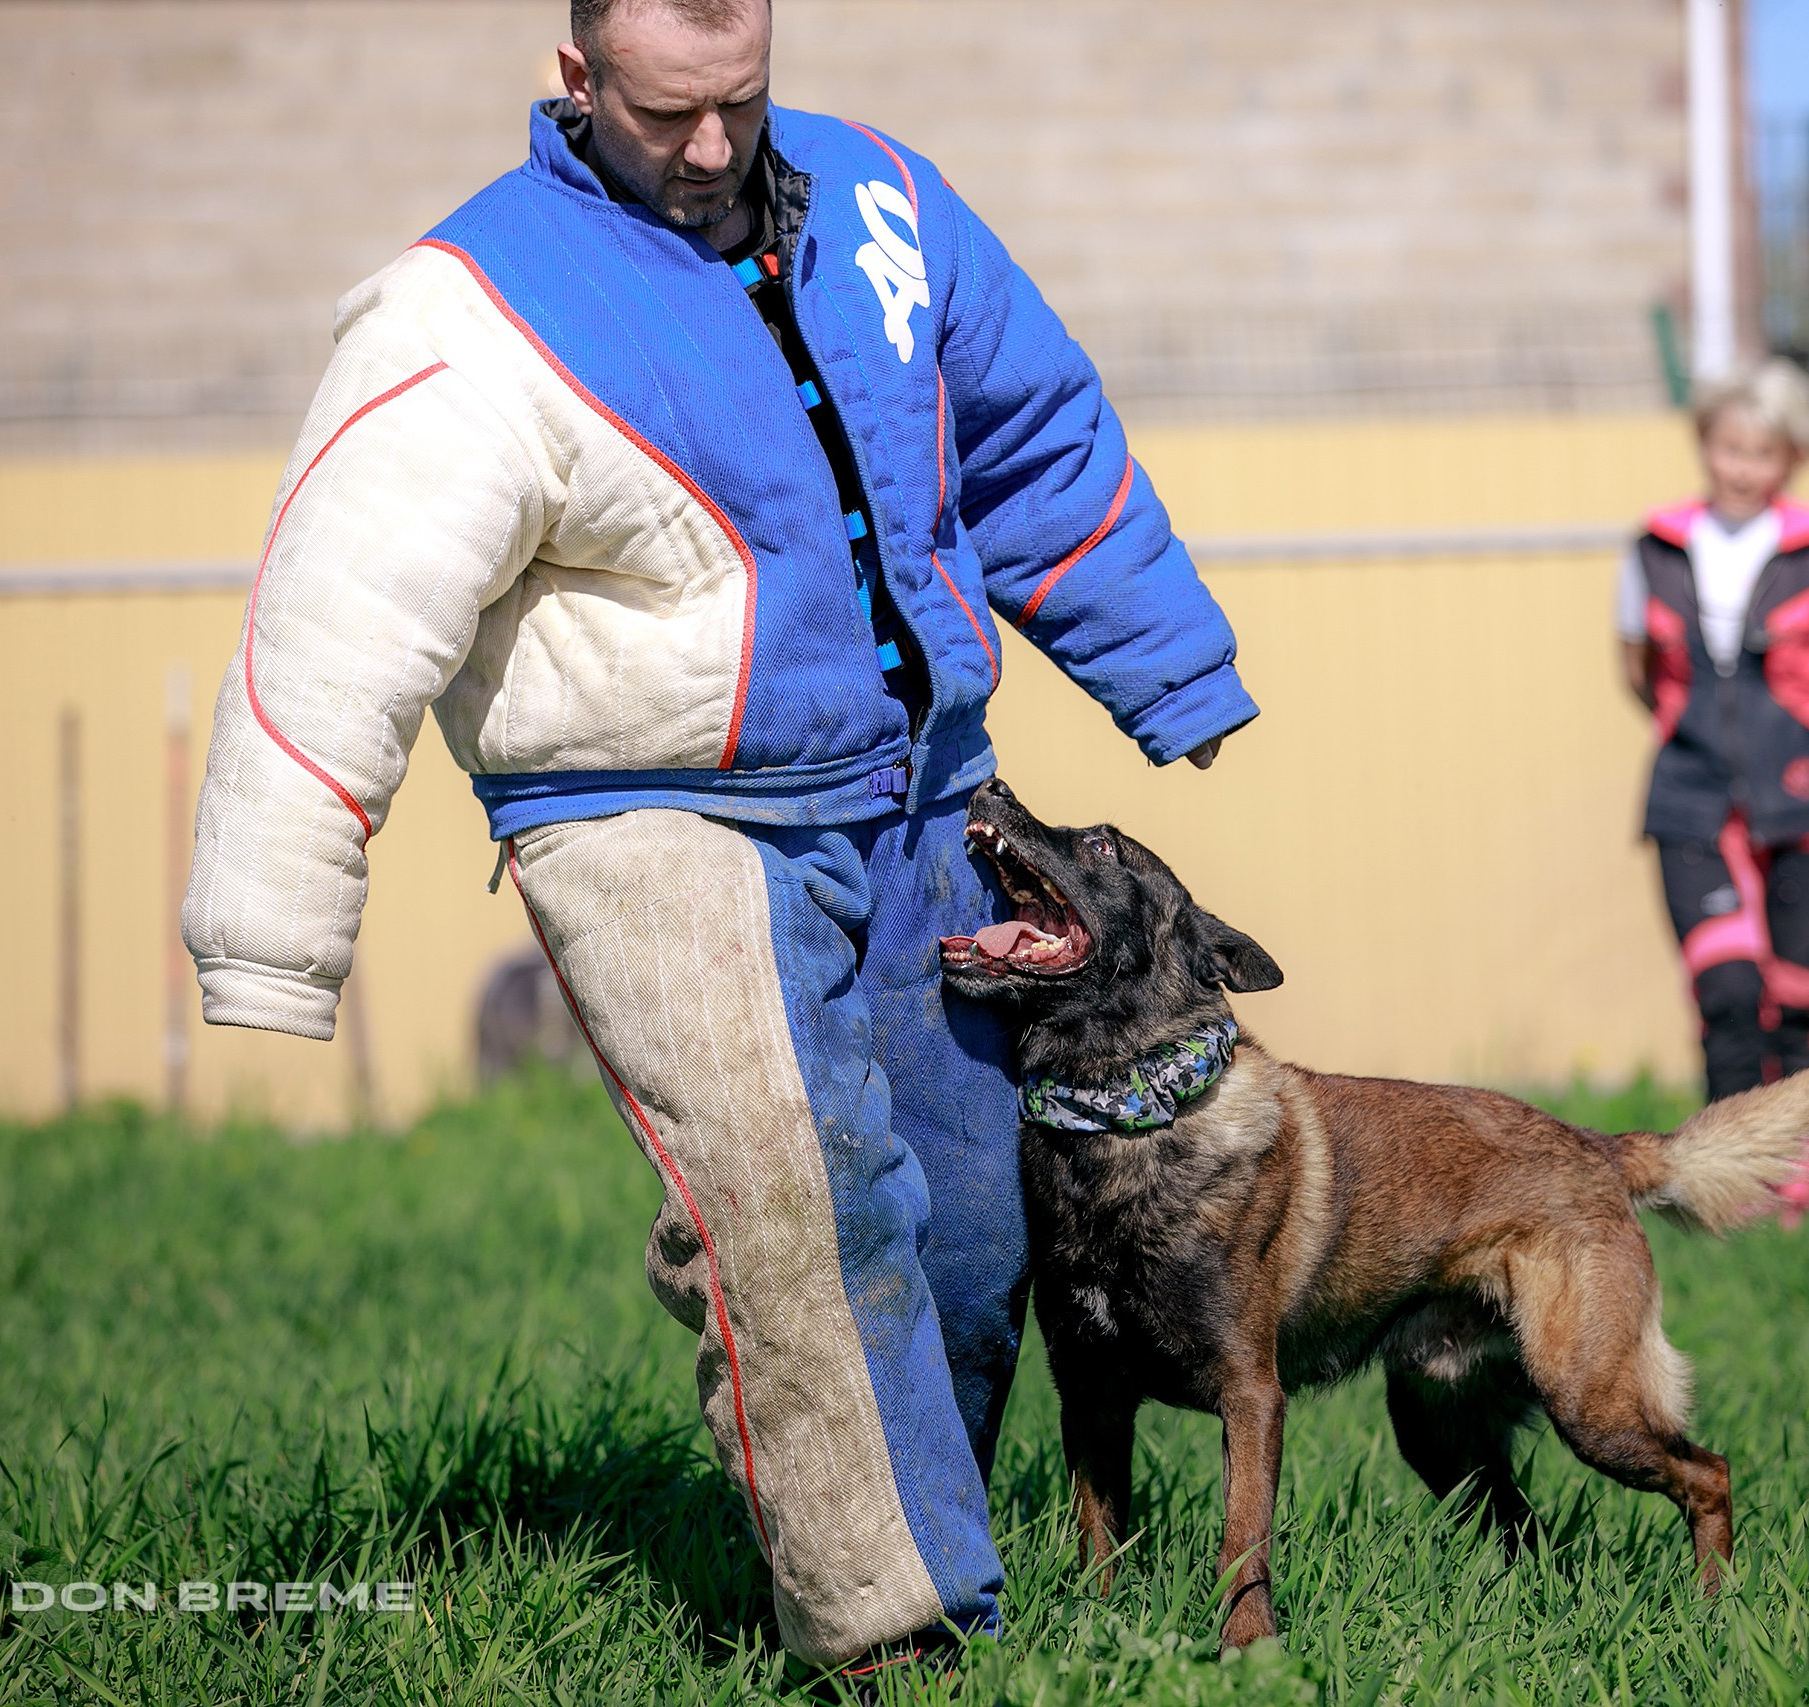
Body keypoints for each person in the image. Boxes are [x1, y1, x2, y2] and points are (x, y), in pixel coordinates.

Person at [181, 0, 1256, 1672]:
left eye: (740, 105)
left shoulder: (884, 197)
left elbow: (1031, 427)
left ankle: (930, 1537)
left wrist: (1163, 657)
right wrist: (268, 930)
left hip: (919, 794)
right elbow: (340, 613)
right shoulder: (467, 308)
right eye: (665, 114)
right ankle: (898, 1637)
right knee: (802, 1212)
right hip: (654, 815)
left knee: (974, 1232)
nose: (709, 150)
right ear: (576, 80)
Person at [1614, 358, 1809, 1225]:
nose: (1743, 466)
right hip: (1691, 800)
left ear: (1792, 457)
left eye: (1764, 451)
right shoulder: (1655, 545)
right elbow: (1636, 667)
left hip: (1808, 807)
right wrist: (1705, 743)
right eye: (1731, 446)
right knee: (1727, 993)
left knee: (1791, 1005)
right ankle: (1725, 1199)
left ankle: (1791, 1189)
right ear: (1706, 443)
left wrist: (1792, 740)